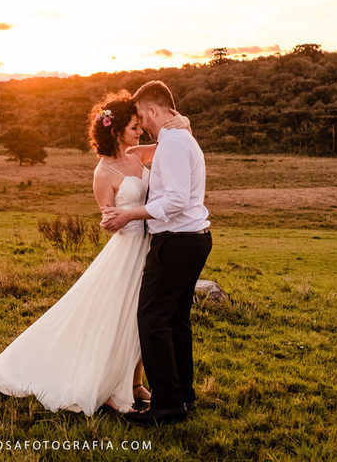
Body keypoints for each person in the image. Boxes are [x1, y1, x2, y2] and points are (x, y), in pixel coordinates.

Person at [0, 91, 189, 415]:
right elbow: (109, 218)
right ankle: (104, 385)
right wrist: (115, 220)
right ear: (116, 130)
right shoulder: (103, 173)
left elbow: (175, 149)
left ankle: (134, 384)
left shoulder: (137, 155)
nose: (140, 132)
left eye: (139, 126)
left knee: (140, 321)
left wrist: (182, 123)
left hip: (151, 247)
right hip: (127, 250)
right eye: (134, 127)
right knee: (119, 318)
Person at [101, 80, 211, 425]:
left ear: (152, 111)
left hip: (177, 241)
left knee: (152, 320)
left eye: (142, 119)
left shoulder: (175, 143)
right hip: (190, 239)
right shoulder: (174, 139)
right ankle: (183, 397)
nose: (143, 128)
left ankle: (166, 407)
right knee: (176, 321)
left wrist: (130, 213)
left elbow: (176, 200)